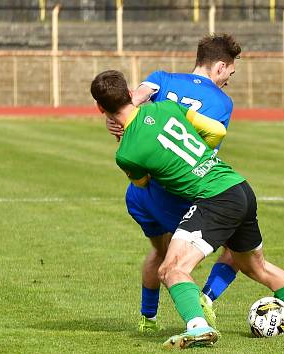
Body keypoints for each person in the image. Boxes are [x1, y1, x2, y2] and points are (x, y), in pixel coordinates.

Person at [91, 70, 284, 349]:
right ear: (128, 94)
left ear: (101, 108)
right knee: (258, 267)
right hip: (238, 187)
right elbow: (216, 130)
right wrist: (201, 157)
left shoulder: (126, 153)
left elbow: (143, 181)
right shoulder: (166, 107)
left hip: (214, 199)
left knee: (172, 268)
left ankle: (198, 327)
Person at [106, 34, 241, 333]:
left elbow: (131, 101)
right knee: (237, 248)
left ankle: (148, 318)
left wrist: (113, 123)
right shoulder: (222, 102)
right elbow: (204, 148)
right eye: (230, 72)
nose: (229, 78)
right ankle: (205, 298)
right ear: (220, 67)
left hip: (141, 194)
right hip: (176, 193)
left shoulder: (161, 78)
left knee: (159, 252)